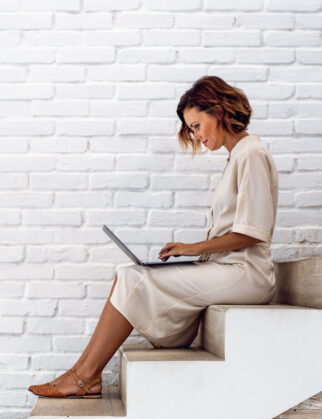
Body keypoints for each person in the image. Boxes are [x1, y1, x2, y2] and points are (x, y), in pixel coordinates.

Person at [28, 76, 279, 399]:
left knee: (135, 279)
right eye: (191, 129)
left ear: (217, 111)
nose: (196, 136)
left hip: (248, 274)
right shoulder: (237, 157)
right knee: (130, 274)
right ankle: (82, 373)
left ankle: (84, 376)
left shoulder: (251, 154)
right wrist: (194, 252)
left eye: (197, 125)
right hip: (229, 268)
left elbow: (250, 232)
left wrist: (193, 248)